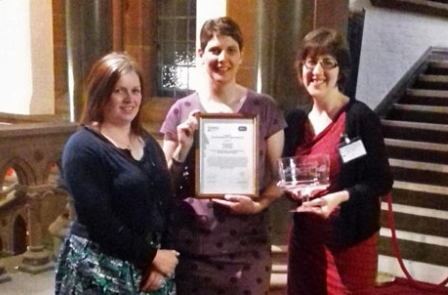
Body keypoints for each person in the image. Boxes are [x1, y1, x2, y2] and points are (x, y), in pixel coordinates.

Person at [160, 17, 286, 295]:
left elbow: (281, 177)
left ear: (241, 55)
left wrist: (258, 205)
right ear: (200, 54)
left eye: (231, 50)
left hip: (247, 246)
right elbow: (162, 185)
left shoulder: (264, 109)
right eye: (215, 49)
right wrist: (183, 146)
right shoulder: (181, 111)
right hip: (192, 247)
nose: (223, 58)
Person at [55, 52, 179, 295]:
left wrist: (162, 258)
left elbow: (166, 203)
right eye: (119, 91)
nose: (129, 99)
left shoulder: (147, 142)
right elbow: (99, 221)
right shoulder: (82, 147)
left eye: (135, 91)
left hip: (150, 266)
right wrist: (152, 256)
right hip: (98, 268)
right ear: (100, 94)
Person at [282, 28, 393, 294]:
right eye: (310, 62)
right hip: (305, 242)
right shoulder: (295, 120)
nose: (317, 71)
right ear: (301, 69)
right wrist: (289, 188)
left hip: (350, 243)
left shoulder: (359, 118)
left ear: (340, 71)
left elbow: (382, 179)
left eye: (327, 62)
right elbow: (286, 173)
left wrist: (340, 197)